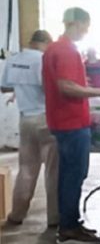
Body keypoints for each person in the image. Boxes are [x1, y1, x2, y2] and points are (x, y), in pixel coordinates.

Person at [42, 7, 100, 244]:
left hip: (63, 119)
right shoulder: (66, 50)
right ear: (76, 23)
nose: (87, 31)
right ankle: (69, 228)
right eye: (86, 25)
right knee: (74, 175)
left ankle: (69, 223)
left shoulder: (55, 49)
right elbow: (66, 87)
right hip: (71, 122)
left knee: (69, 174)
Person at [1, 30, 58, 228]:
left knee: (26, 169)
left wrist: (22, 89)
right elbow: (51, 89)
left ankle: (16, 215)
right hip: (46, 118)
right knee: (53, 171)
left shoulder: (14, 59)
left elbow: (4, 87)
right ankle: (54, 219)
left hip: (25, 118)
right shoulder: (43, 60)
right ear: (46, 42)